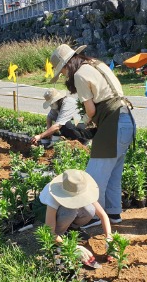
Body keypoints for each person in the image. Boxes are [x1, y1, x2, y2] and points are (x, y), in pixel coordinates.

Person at [50, 44, 136, 227]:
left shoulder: (80, 75)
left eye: (63, 71)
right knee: (113, 174)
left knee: (93, 178)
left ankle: (95, 217)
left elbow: (90, 110)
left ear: (67, 65)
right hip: (126, 119)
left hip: (113, 124)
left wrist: (83, 123)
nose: (65, 75)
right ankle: (113, 214)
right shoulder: (98, 64)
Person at [38, 169, 109, 268]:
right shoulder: (53, 197)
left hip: (64, 211)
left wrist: (109, 237)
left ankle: (71, 229)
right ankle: (59, 237)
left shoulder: (80, 188)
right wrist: (72, 247)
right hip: (43, 209)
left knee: (89, 210)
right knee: (69, 212)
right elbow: (49, 232)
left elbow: (102, 214)